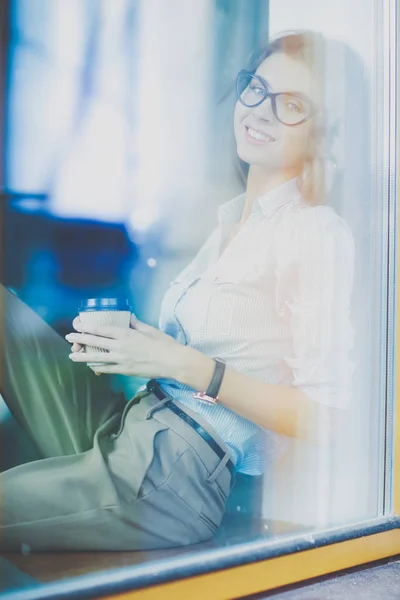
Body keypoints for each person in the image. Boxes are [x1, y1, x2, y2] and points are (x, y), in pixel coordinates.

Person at [0, 30, 354, 551]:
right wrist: (133, 346)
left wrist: (180, 362)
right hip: (130, 424)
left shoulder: (315, 232)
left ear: (322, 131)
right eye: (256, 89)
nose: (260, 111)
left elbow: (326, 416)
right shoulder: (232, 219)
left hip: (172, 474)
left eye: (292, 105)